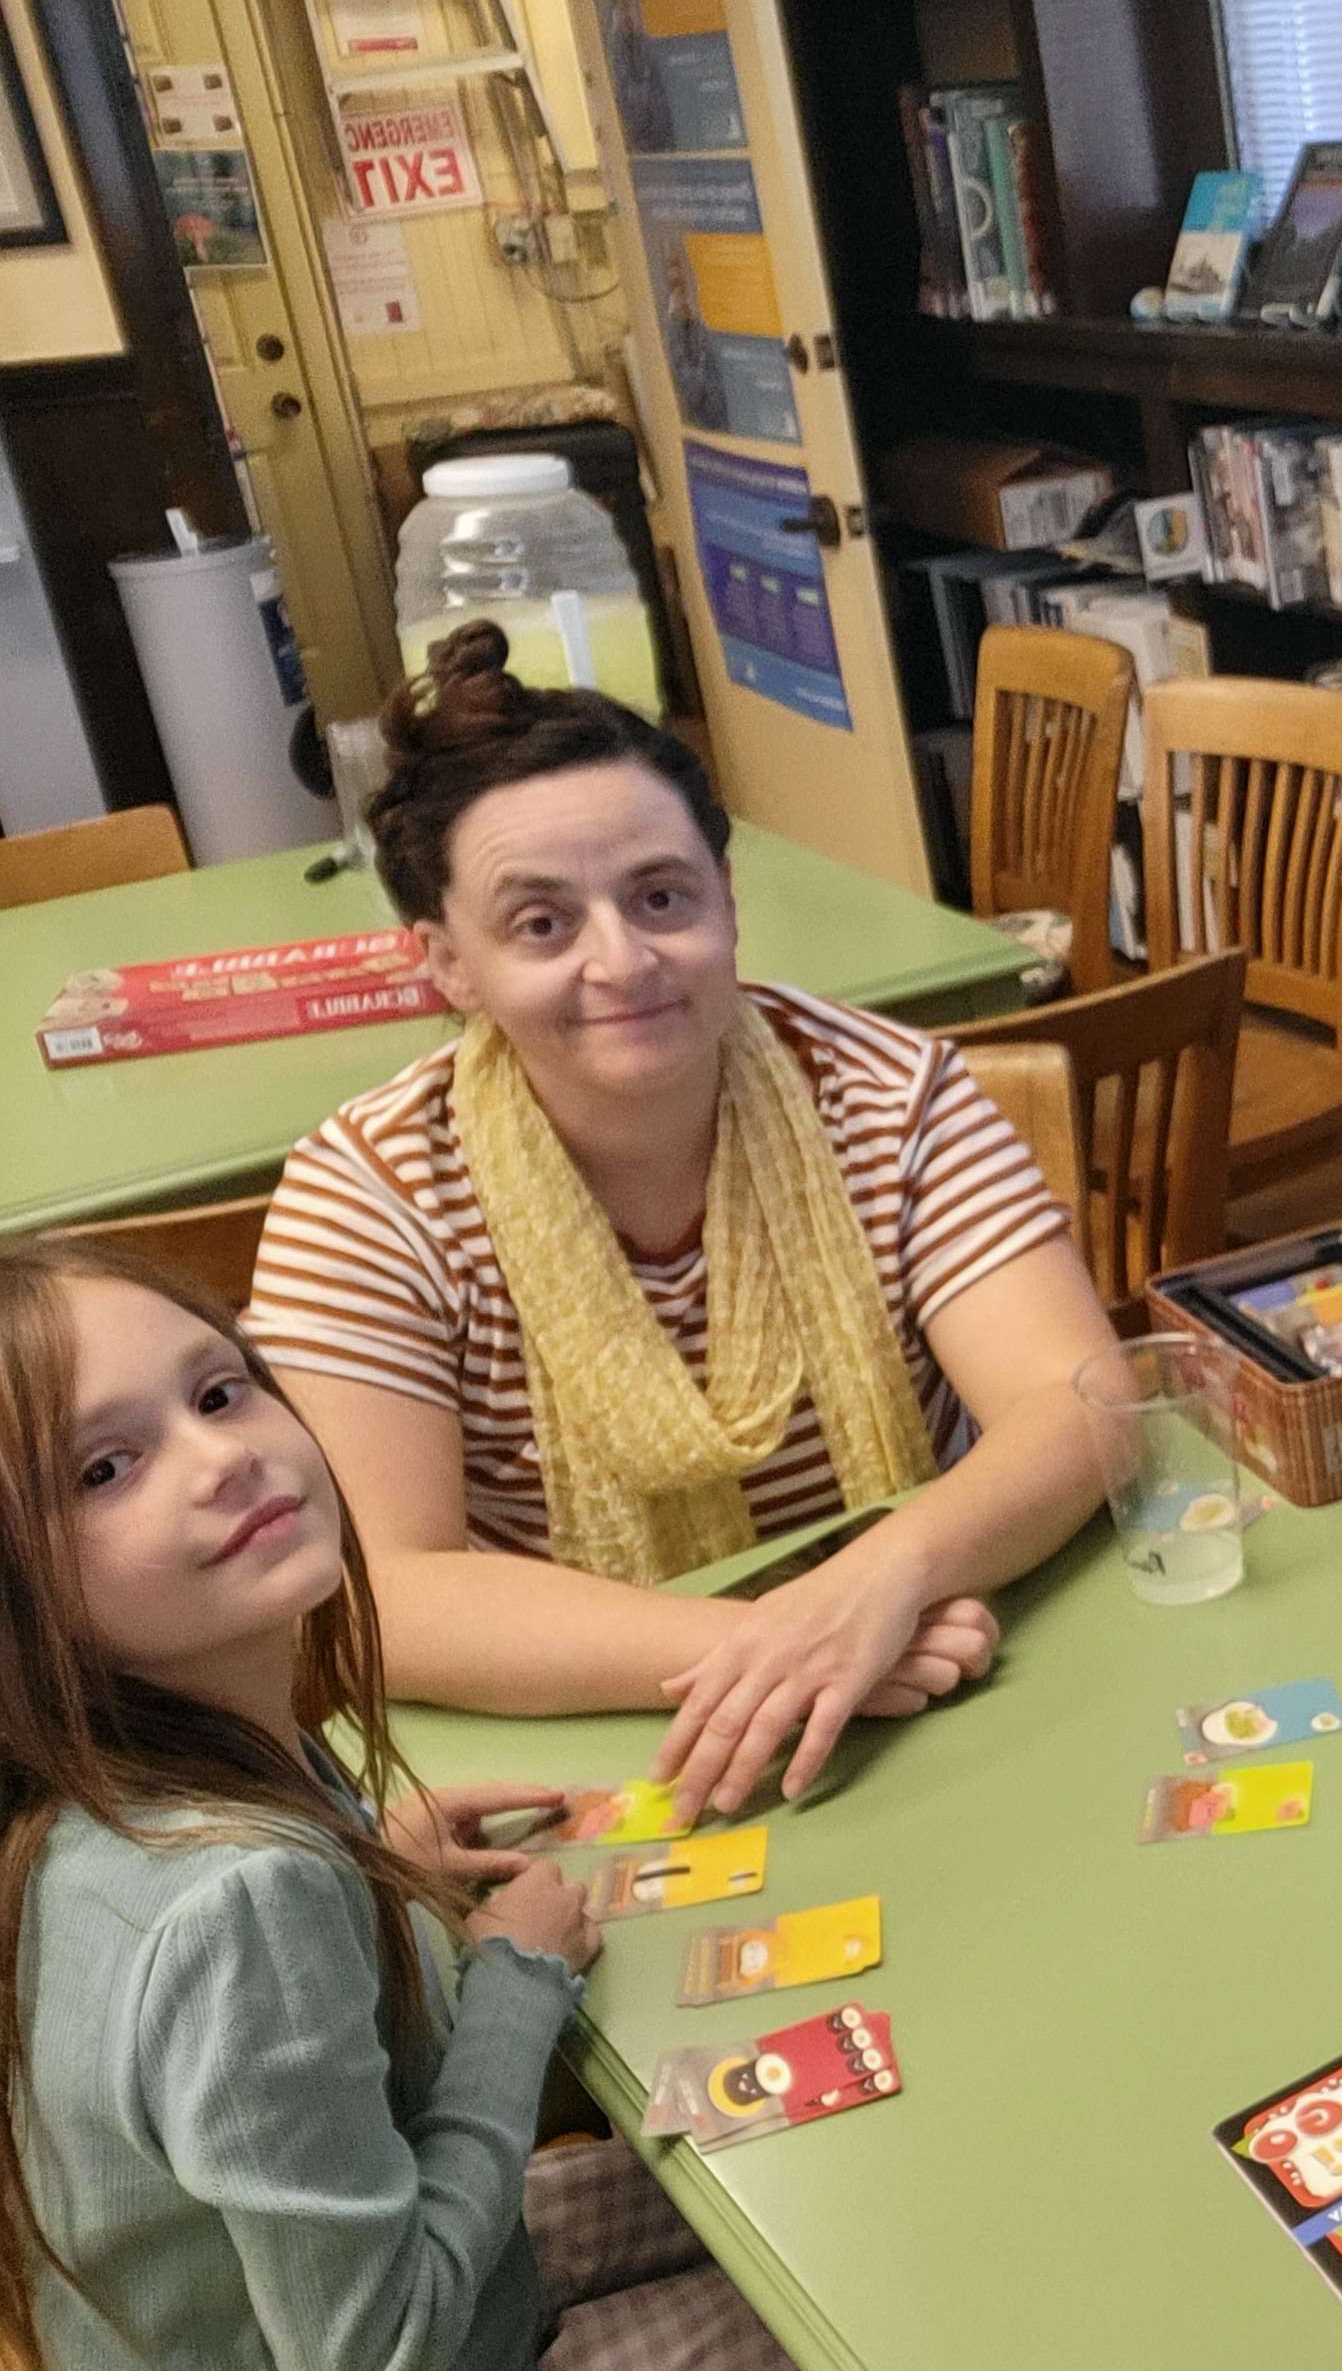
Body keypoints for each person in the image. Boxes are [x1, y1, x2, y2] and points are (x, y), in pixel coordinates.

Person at [0, 1235, 881, 2371]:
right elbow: (376, 2352)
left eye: (221, 1394)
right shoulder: (236, 1894)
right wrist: (517, 1984)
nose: (218, 1458)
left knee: (791, 2202)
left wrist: (379, 1869)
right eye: (103, 1470)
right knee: (881, 2330)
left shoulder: (129, 1796)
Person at [245, 624, 1119, 1825]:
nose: (625, 960)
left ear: (726, 899)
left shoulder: (886, 1090)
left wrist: (884, 1578)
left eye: (662, 897)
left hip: (942, 1663)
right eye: (541, 924)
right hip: (613, 1734)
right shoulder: (371, 1192)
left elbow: (1079, 1404)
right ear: (447, 966)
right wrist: (782, 1644)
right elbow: (375, 1596)